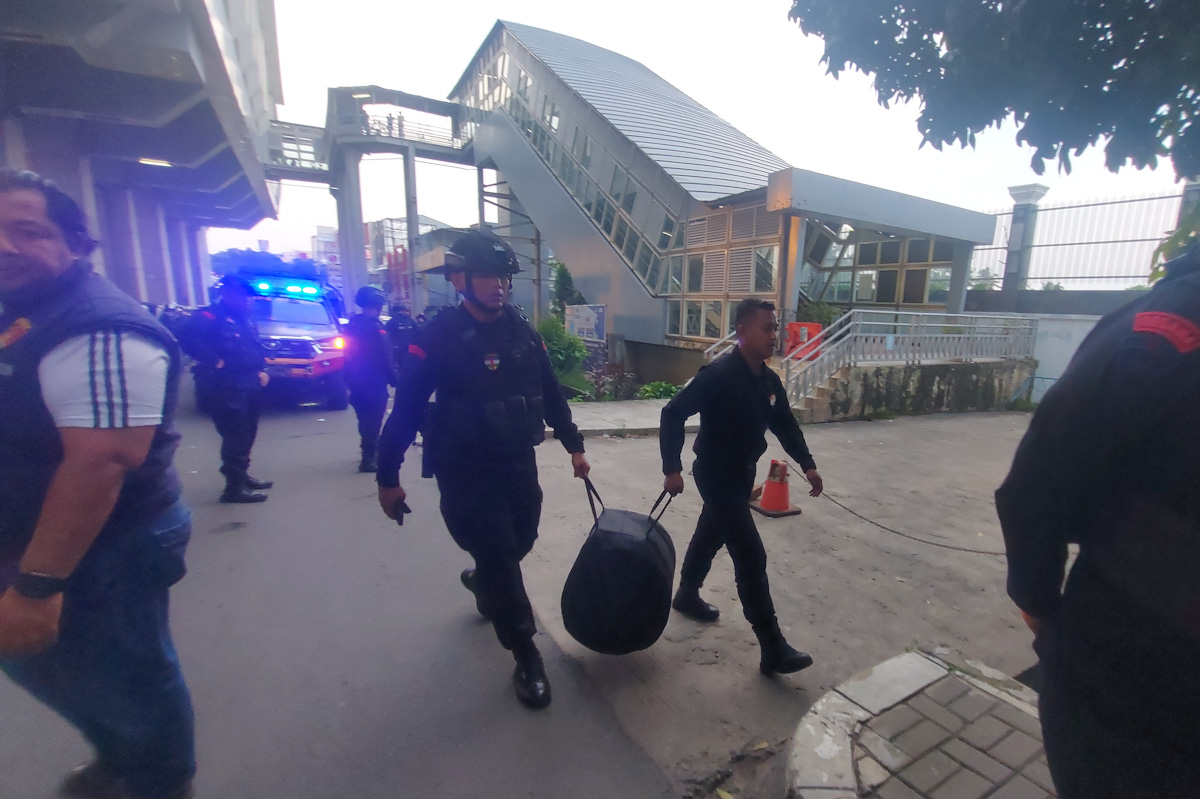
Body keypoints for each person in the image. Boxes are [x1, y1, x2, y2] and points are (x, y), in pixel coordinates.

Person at [0, 168, 196, 799]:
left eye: (25, 232)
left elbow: (102, 460)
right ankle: (128, 757)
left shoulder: (98, 325)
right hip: (41, 538)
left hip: (99, 547)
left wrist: (35, 588)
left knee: (122, 674)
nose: (4, 245)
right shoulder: (27, 314)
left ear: (76, 244)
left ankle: (150, 775)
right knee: (66, 669)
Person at [996, 241, 1200, 799]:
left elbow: (1039, 481)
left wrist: (1038, 603)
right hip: (1140, 646)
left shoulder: (1164, 317)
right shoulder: (1171, 324)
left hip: (1131, 648)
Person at [375, 228, 590, 710]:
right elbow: (407, 408)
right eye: (488, 275)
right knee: (499, 554)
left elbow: (550, 392)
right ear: (459, 279)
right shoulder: (438, 337)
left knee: (521, 541)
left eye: (504, 276)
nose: (499, 285)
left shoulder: (519, 329)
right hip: (466, 469)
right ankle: (525, 654)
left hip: (517, 461)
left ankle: (483, 579)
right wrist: (387, 476)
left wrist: (574, 444)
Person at [660, 298, 824, 675]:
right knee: (750, 553)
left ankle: (686, 594)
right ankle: (772, 646)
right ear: (742, 332)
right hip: (715, 474)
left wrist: (808, 465)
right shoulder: (717, 375)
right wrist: (673, 468)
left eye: (775, 328)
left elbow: (785, 425)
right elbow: (672, 413)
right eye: (767, 328)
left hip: (741, 474)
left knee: (711, 531)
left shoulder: (768, 381)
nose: (774, 335)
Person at [178, 275, 273, 503]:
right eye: (244, 296)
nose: (249, 301)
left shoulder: (244, 319)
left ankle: (242, 475)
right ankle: (233, 489)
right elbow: (185, 335)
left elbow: (252, 348)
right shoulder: (211, 316)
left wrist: (261, 369)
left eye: (250, 297)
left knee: (248, 432)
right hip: (227, 385)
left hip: (249, 382)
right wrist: (214, 360)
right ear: (229, 294)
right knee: (235, 434)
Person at [345, 286, 396, 472]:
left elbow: (346, 354)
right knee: (374, 421)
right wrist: (396, 379)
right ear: (378, 304)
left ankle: (367, 452)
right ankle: (369, 459)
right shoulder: (376, 328)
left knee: (364, 419)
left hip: (356, 380)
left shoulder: (351, 325)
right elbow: (386, 357)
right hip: (374, 381)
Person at [384, 301, 419, 372]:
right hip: (410, 350)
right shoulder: (411, 321)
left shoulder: (392, 321)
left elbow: (386, 336)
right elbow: (417, 334)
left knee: (400, 370)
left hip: (398, 351)